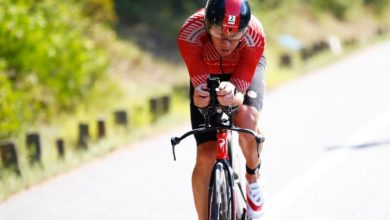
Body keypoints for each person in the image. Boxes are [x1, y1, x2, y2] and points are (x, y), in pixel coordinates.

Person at [177, 0, 266, 219]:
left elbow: (238, 96)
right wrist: (200, 99)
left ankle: (253, 178)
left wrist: (234, 94)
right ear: (207, 26)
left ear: (244, 31)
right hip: (207, 72)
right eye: (219, 34)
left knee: (246, 118)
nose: (226, 43)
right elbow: (200, 96)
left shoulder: (254, 36)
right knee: (206, 155)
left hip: (242, 71)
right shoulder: (189, 33)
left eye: (235, 37)